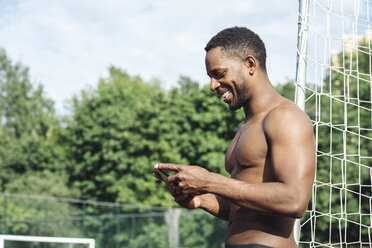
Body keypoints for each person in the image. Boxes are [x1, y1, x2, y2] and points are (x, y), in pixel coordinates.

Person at [153, 27, 315, 248]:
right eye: (210, 77)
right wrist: (201, 198)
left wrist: (210, 180)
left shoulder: (285, 117)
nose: (212, 86)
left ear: (249, 64)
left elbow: (294, 199)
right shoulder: (244, 127)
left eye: (219, 74)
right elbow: (241, 209)